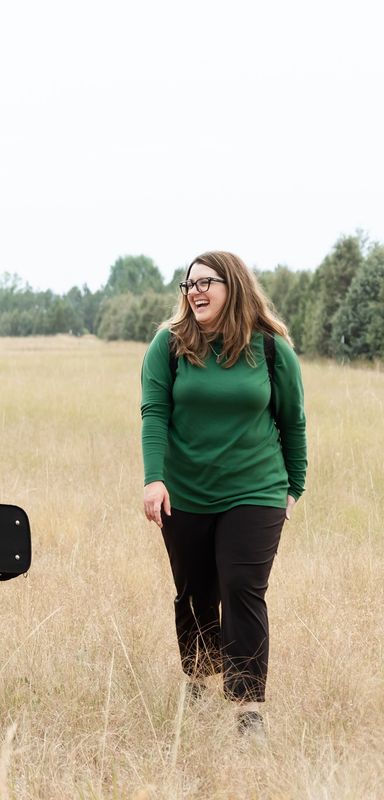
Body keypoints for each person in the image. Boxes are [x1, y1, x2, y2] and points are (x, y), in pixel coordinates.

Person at [141, 250, 306, 738]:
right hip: (185, 492)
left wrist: (293, 486)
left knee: (242, 587)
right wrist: (154, 478)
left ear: (232, 286)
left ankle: (247, 705)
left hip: (256, 490)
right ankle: (198, 674)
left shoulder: (271, 348)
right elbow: (154, 412)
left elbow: (292, 419)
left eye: (205, 282)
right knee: (194, 590)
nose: (194, 291)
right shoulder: (168, 345)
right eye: (188, 284)